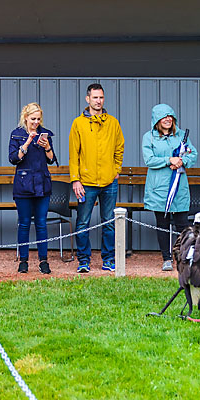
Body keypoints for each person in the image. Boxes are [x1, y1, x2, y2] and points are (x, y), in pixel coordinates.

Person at [69, 83, 125, 273]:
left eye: (101, 97)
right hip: (86, 182)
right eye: (95, 97)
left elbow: (119, 147)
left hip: (109, 182)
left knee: (109, 222)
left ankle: (108, 259)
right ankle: (83, 260)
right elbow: (73, 154)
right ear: (88, 99)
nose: (98, 101)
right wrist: (75, 180)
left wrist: (116, 169)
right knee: (83, 222)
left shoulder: (113, 122)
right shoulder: (78, 123)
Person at [142, 104, 197, 271]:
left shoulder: (181, 136)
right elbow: (149, 160)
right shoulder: (149, 137)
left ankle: (183, 256)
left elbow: (192, 154)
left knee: (182, 223)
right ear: (156, 120)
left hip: (178, 187)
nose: (167, 119)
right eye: (163, 117)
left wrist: (182, 161)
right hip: (159, 188)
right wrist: (169, 160)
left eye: (170, 116)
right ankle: (166, 258)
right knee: (162, 224)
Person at [8, 103, 57, 275]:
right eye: (33, 119)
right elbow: (14, 158)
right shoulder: (17, 134)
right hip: (23, 185)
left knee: (42, 224)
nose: (36, 122)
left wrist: (46, 147)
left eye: (38, 119)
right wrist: (28, 141)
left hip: (42, 185)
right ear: (26, 117)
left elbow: (52, 159)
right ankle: (23, 261)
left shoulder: (45, 134)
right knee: (24, 224)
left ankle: (43, 261)